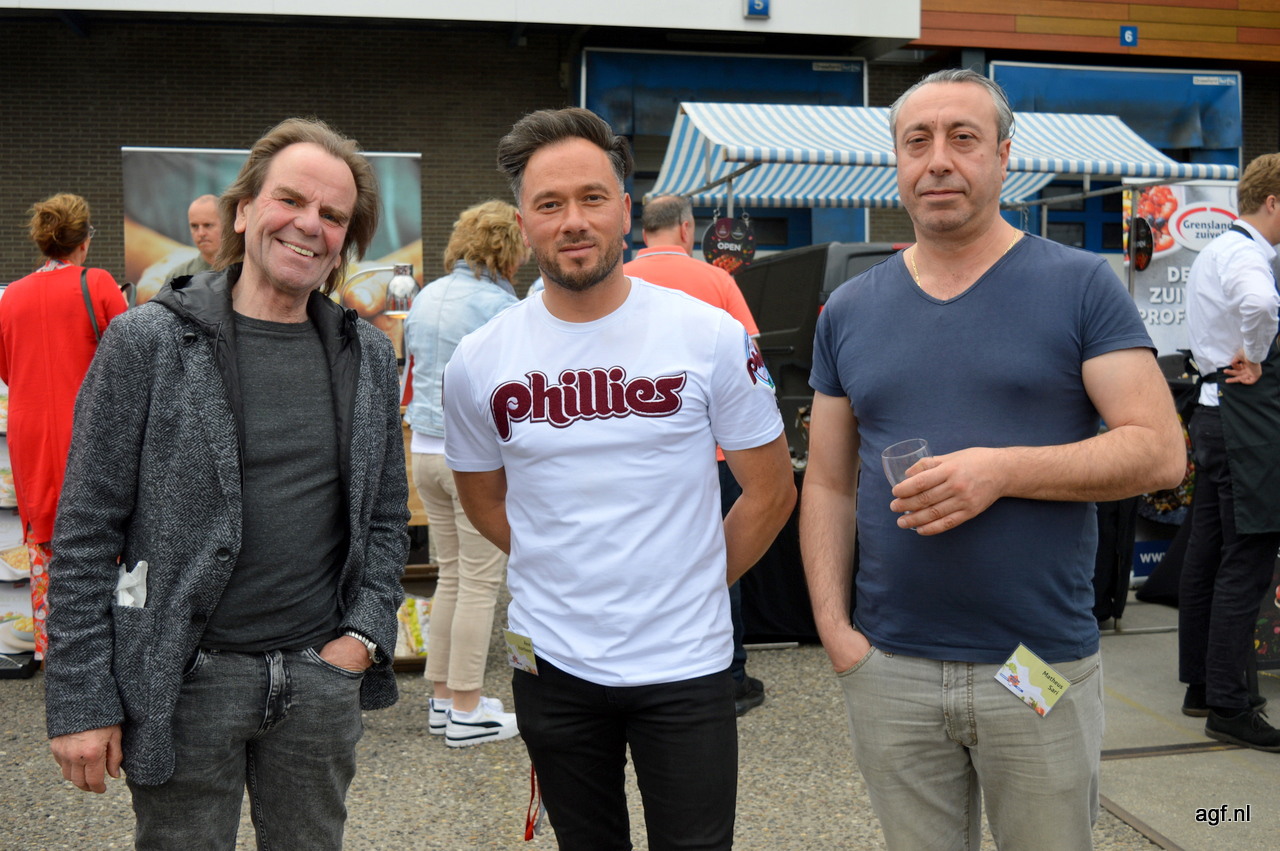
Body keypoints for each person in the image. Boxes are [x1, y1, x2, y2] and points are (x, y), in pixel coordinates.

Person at [800, 69, 1185, 850]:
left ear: (1005, 157)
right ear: (897, 161)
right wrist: (836, 632)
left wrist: (999, 471)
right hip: (891, 667)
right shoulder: (849, 309)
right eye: (917, 141)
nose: (938, 160)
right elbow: (831, 482)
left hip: (1035, 662)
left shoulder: (1080, 285)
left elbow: (1160, 451)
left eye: (964, 138)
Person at [43, 117, 410, 849]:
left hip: (318, 680)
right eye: (290, 200)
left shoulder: (365, 355)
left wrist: (363, 637)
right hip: (185, 680)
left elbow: (385, 519)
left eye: (332, 215)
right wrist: (82, 698)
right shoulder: (149, 340)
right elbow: (85, 527)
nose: (309, 225)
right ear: (243, 211)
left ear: (346, 239)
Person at [444, 107, 795, 850]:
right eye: (550, 204)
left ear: (626, 213)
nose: (574, 221)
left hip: (688, 662)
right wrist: (559, 566)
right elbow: (483, 498)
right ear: (524, 224)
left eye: (592, 198)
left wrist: (695, 582)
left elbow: (771, 492)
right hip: (553, 664)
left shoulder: (708, 335)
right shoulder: (478, 359)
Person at [623, 193, 768, 715]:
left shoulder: (619, 280)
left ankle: (645, 664)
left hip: (640, 454)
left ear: (642, 231)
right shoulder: (717, 281)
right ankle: (730, 674)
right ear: (687, 229)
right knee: (717, 554)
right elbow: (754, 362)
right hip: (717, 452)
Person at [403, 199, 524, 747]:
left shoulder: (427, 294)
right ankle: (469, 710)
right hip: (470, 459)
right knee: (479, 581)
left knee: (451, 575)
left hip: (424, 453)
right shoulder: (500, 305)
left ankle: (443, 700)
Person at [1177, 152, 1280, 752]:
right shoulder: (1246, 255)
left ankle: (1203, 685)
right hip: (1243, 422)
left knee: (1209, 555)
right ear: (1273, 202)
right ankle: (1230, 706)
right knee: (1247, 560)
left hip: (1213, 415)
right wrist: (1258, 356)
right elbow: (1260, 306)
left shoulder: (1216, 249)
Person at [0, 193, 127, 661]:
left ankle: (56, 655)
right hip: (90, 431)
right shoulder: (97, 283)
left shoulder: (12, 296)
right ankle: (106, 652)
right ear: (84, 239)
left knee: (45, 540)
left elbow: (8, 370)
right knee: (103, 536)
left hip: (31, 433)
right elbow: (131, 359)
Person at [165, 194, 224, 279]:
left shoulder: (242, 271)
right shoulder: (178, 277)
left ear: (226, 225)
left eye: (208, 225)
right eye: (194, 226)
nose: (201, 233)